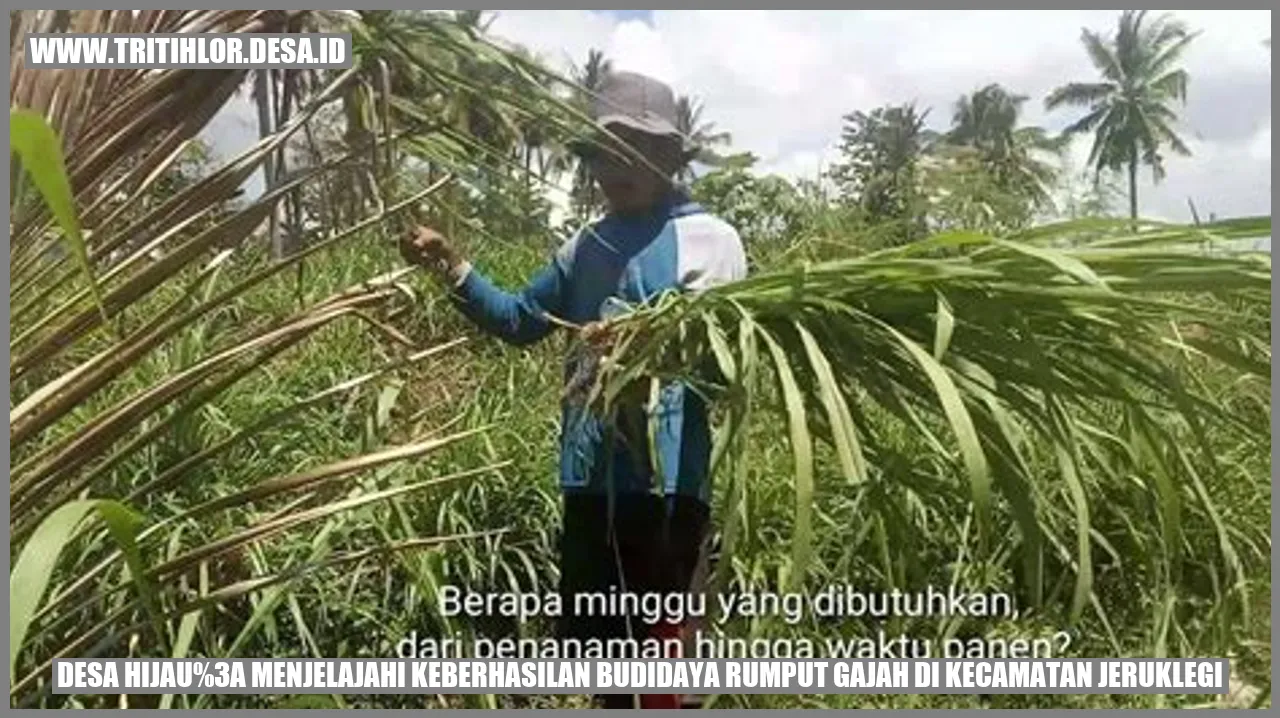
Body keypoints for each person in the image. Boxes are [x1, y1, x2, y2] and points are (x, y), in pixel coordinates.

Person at [401, 71, 747, 709]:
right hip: (591, 488)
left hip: (666, 495)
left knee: (667, 682)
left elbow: (722, 360)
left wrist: (639, 345)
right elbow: (518, 321)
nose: (616, 166)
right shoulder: (584, 245)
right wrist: (449, 264)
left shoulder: (713, 240)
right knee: (603, 674)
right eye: (603, 150)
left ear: (671, 156)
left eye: (635, 149)